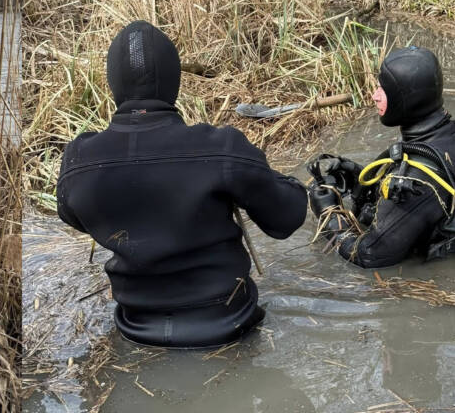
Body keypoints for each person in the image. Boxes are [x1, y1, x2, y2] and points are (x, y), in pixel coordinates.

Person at [56, 20, 308, 348]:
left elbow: (72, 215)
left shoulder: (78, 158)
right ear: (174, 80)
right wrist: (276, 179)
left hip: (136, 330)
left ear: (113, 83)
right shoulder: (221, 147)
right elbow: (287, 219)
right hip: (229, 325)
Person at [307, 46, 455, 270]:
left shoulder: (416, 180)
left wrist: (329, 214)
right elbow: (436, 194)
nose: (374, 96)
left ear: (405, 98)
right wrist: (361, 179)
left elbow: (370, 256)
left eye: (382, 89)